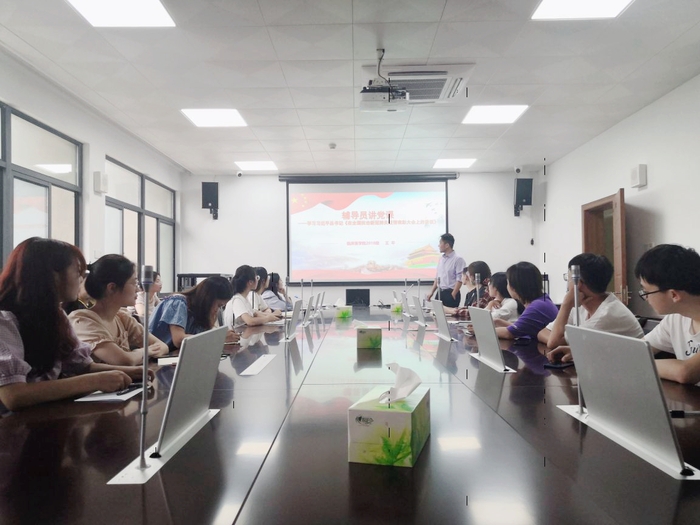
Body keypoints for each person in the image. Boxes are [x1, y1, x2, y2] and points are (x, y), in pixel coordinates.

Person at [0, 238, 149, 412]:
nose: (81, 279)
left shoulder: (55, 315)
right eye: (77, 272)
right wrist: (95, 381)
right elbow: (13, 396)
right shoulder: (5, 320)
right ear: (53, 275)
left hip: (46, 417)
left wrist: (127, 372)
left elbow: (82, 366)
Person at [69, 255, 169, 366]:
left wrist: (138, 354)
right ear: (112, 288)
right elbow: (124, 360)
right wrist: (145, 351)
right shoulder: (83, 321)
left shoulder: (122, 318)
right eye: (134, 283)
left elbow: (163, 346)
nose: (138, 289)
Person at [542, 253, 643, 361]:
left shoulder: (606, 315)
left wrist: (565, 305)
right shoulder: (580, 305)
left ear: (578, 283)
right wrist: (562, 338)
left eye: (569, 278)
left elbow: (552, 342)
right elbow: (543, 333)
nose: (567, 283)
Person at [149, 276, 239, 351]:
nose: (217, 310)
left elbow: (201, 338)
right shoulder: (178, 302)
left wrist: (220, 336)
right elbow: (179, 340)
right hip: (154, 357)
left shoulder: (200, 312)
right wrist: (219, 338)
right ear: (208, 298)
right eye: (219, 305)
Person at [494, 262, 558, 339]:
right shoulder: (542, 301)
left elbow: (508, 333)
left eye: (507, 283)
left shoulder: (537, 306)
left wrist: (483, 330)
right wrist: (498, 321)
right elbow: (520, 328)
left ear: (513, 287)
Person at [426, 233, 466, 308]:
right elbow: (437, 277)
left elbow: (459, 278)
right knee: (437, 313)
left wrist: (453, 293)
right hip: (440, 292)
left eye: (440, 243)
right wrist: (432, 292)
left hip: (451, 292)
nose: (438, 245)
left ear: (447, 245)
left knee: (449, 314)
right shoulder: (441, 259)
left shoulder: (458, 259)